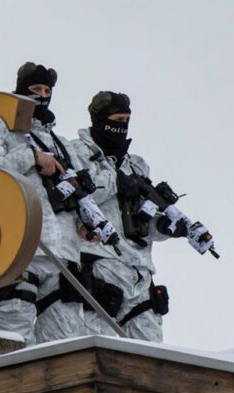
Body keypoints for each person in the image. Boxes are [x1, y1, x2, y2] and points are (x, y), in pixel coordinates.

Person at [0, 62, 86, 345]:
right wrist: (31, 157)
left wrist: (85, 224)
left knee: (63, 343)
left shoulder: (60, 142)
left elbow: (77, 192)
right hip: (20, 244)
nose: (41, 95)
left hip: (63, 254)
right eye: (35, 89)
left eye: (47, 91)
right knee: (14, 335)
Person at [71, 91, 171, 341]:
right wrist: (116, 181)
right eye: (117, 120)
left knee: (150, 354)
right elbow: (78, 194)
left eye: (127, 120)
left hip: (139, 272)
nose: (122, 126)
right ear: (100, 119)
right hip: (99, 264)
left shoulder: (136, 165)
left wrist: (164, 226)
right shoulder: (75, 152)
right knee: (98, 349)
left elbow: (142, 220)